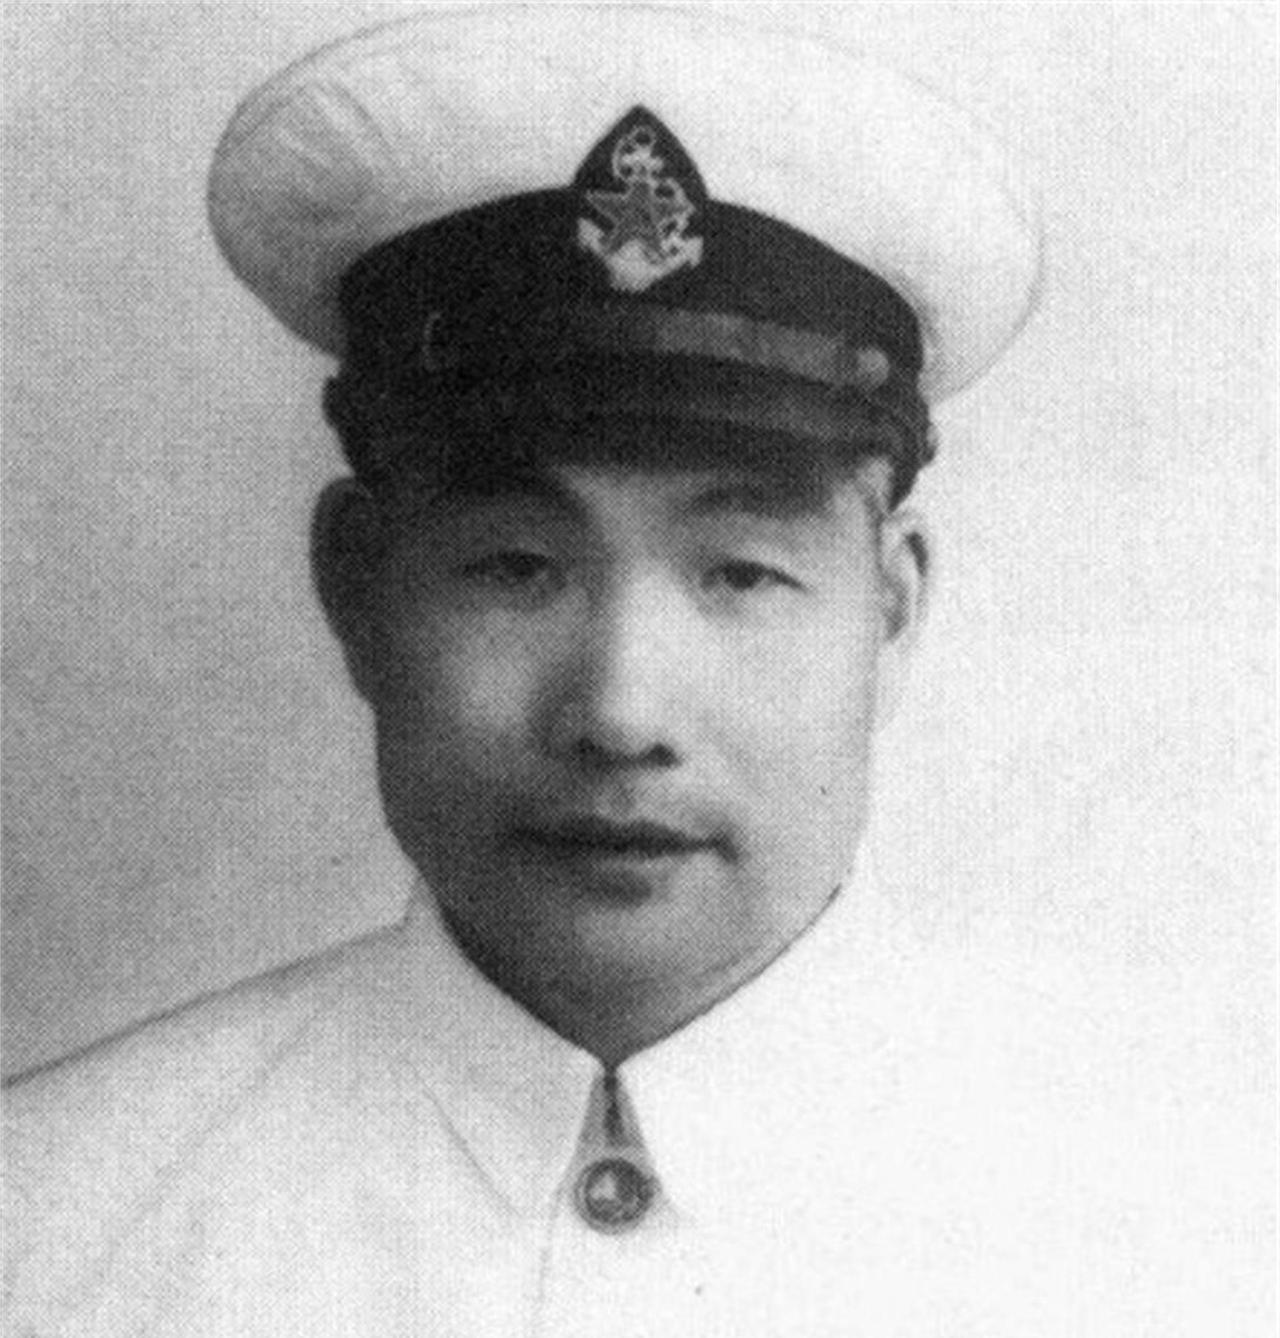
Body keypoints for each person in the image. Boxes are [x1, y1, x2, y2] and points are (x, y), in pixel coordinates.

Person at [3, 7, 1071, 1334]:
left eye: (742, 573)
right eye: (515, 566)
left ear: (892, 612)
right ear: (356, 587)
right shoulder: (55, 1231)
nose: (620, 712)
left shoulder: (1182, 1218)